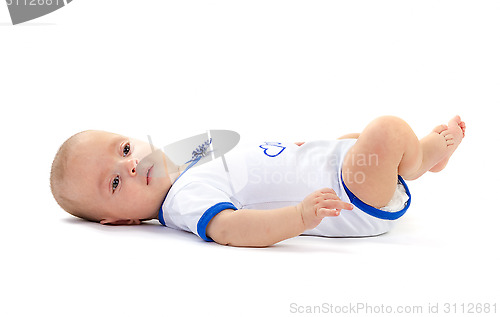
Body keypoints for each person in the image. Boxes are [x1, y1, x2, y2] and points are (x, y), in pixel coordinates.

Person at [50, 115, 466, 247]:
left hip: (339, 172)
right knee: (387, 131)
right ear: (120, 221)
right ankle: (423, 157)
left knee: (354, 140)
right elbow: (231, 229)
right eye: (115, 184)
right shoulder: (184, 200)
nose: (132, 167)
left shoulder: (185, 166)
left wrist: (303, 150)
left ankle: (415, 161)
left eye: (124, 151)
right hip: (350, 200)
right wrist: (300, 216)